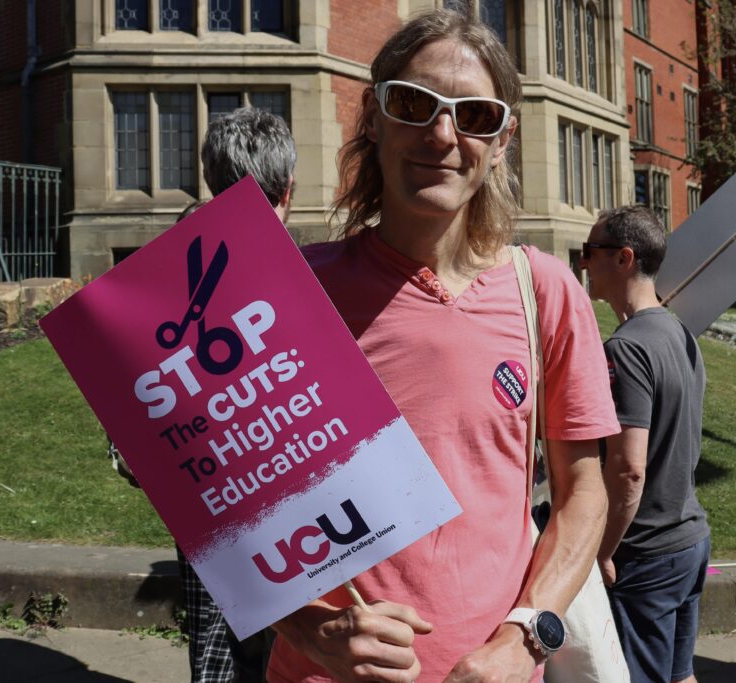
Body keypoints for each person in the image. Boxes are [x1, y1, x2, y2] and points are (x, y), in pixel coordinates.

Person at [266, 9, 620, 682]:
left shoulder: (543, 290)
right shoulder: (296, 291)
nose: (442, 135)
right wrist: (311, 629)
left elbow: (584, 495)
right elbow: (230, 513)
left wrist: (525, 640)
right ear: (372, 115)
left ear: (504, 137)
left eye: (475, 116)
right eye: (413, 103)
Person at [187, 105, 296, 683]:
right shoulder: (316, 280)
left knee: (218, 657)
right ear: (290, 190)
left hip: (209, 503)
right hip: (311, 511)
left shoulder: (166, 281)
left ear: (210, 178)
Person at [583, 206, 711, 683]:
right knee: (680, 676)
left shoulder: (627, 348)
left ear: (624, 259)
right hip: (690, 540)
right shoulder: (679, 332)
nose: (584, 263)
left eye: (590, 251)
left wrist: (601, 552)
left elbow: (628, 470)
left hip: (645, 554)